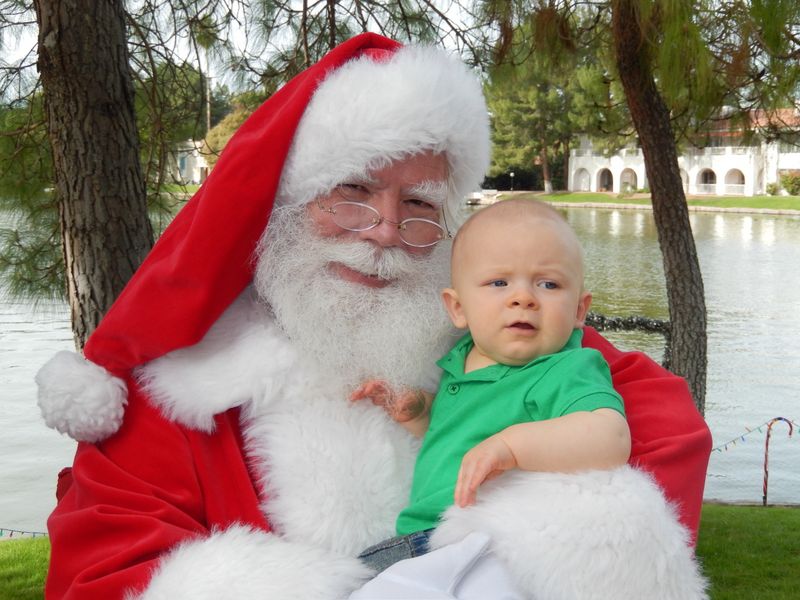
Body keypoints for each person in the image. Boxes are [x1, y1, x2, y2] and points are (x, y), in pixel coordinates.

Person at [35, 33, 712, 600]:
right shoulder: (184, 383)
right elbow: (102, 566)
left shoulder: (488, 324)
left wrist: (507, 558)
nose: (386, 230)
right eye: (352, 193)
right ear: (288, 204)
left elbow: (663, 426)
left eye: (419, 205)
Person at [354, 198, 630, 541]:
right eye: (499, 283)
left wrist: (511, 448)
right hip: (419, 533)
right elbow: (455, 432)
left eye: (548, 284)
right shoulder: (463, 358)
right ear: (458, 308)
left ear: (578, 310)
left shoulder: (564, 368)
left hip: (483, 537)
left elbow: (612, 438)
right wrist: (419, 411)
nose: (523, 298)